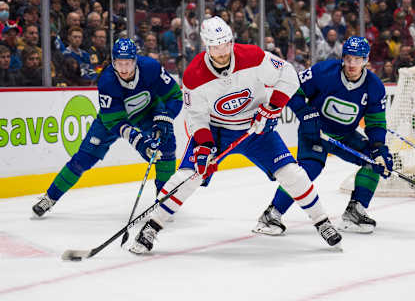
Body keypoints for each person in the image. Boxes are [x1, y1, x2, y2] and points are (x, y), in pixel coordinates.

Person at [129, 16, 342, 254]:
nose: (222, 52)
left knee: (292, 174)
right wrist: (204, 147)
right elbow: (196, 117)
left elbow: (289, 75)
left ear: (231, 40)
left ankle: (322, 221)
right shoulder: (193, 75)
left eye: (226, 44)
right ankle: (152, 226)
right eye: (215, 47)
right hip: (217, 132)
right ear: (206, 46)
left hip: (256, 129)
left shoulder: (252, 56)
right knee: (187, 178)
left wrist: (271, 109)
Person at [253, 36, 393, 235]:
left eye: (358, 59)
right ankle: (271, 215)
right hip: (314, 131)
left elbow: (376, 123)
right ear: (343, 57)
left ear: (366, 60)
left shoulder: (374, 87)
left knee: (374, 161)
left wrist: (379, 148)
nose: (352, 64)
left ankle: (355, 212)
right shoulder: (324, 71)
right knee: (308, 169)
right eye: (349, 58)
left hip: (345, 135)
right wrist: (305, 114)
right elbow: (293, 89)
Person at [32, 38, 183, 217]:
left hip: (147, 112)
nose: (124, 69)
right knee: (83, 159)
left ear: (136, 60)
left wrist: (166, 116)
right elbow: (115, 122)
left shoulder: (151, 67)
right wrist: (139, 141)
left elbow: (175, 96)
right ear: (113, 62)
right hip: (111, 121)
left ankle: (163, 202)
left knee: (166, 144)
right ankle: (50, 197)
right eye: (120, 64)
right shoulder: (107, 81)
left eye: (128, 63)